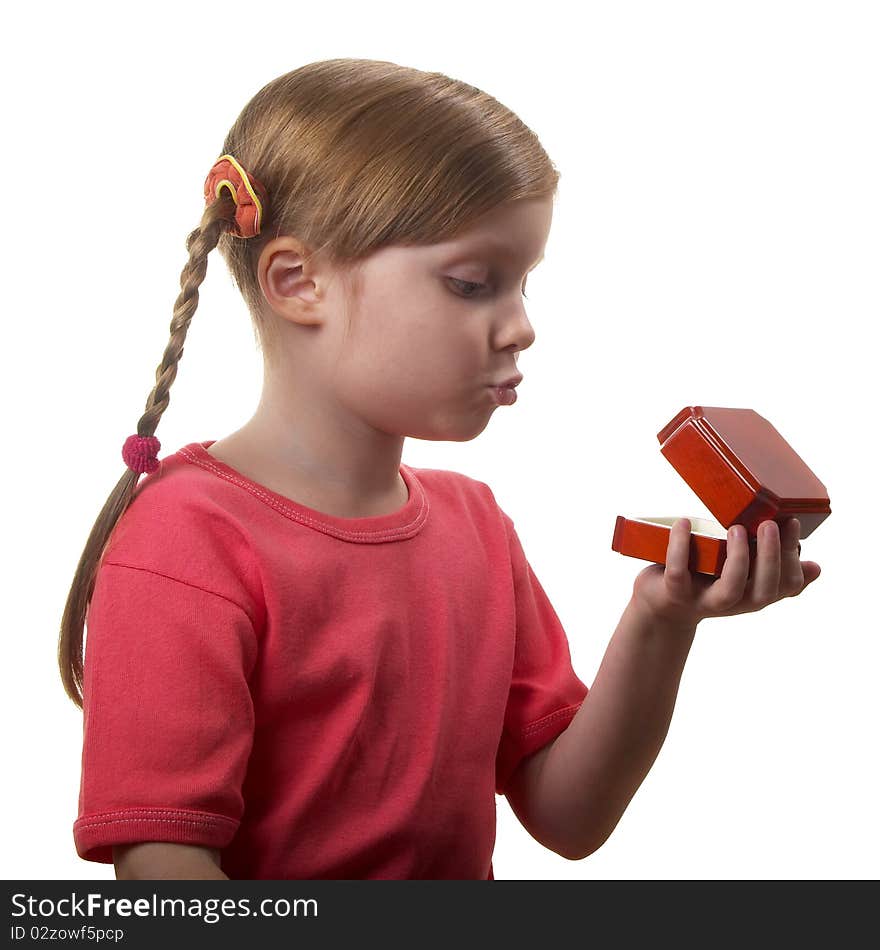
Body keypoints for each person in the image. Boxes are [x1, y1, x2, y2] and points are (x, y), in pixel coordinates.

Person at [59, 58, 821, 881]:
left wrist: (663, 621)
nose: (522, 326)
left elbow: (569, 816)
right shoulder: (186, 541)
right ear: (297, 281)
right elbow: (166, 875)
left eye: (522, 285)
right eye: (471, 284)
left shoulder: (475, 526)